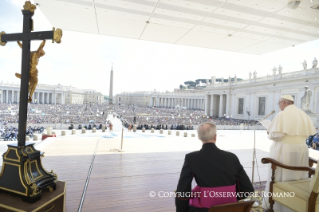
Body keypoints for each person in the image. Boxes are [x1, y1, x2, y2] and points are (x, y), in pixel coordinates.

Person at [175, 122, 254, 212]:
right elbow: (248, 189)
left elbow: (183, 190)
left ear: (199, 137)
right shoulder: (232, 157)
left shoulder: (191, 158)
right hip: (230, 208)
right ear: (215, 137)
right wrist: (227, 196)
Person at [263, 95, 316, 212]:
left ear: (284, 103)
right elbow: (307, 134)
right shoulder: (303, 114)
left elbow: (276, 135)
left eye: (279, 104)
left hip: (285, 150)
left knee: (283, 176)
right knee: (297, 175)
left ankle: (281, 206)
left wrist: (269, 131)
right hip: (301, 149)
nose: (279, 106)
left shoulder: (282, 115)